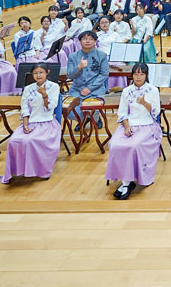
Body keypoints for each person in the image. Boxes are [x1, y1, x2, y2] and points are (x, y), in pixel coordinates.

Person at [106, 63, 162, 200]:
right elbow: (122, 113)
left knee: (133, 146)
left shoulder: (153, 90)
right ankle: (125, 182)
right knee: (114, 144)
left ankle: (126, 183)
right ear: (132, 75)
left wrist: (144, 103)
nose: (138, 77)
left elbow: (156, 112)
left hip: (146, 125)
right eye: (136, 74)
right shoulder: (126, 91)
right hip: (129, 125)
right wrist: (126, 126)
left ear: (146, 75)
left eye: (141, 74)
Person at [0, 64, 62, 184]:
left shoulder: (54, 86)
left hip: (47, 123)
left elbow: (50, 107)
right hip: (31, 122)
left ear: (47, 72)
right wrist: (25, 125)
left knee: (30, 141)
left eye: (41, 72)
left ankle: (39, 170)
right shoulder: (28, 88)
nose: (38, 75)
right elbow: (24, 108)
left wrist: (44, 95)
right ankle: (19, 170)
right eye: (35, 73)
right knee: (13, 141)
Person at [66, 31, 110, 127]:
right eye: (85, 39)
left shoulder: (102, 55)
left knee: (93, 108)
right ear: (80, 41)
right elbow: (69, 75)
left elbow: (104, 74)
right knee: (71, 111)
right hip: (77, 89)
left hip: (96, 89)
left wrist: (90, 88)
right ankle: (83, 119)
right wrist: (79, 67)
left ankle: (95, 118)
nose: (88, 41)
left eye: (91, 39)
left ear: (95, 41)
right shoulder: (72, 56)